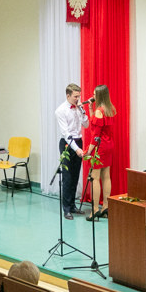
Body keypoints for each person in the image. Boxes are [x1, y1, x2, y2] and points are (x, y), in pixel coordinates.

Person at [54, 83, 89, 220]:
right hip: (68, 145)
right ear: (68, 95)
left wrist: (82, 110)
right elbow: (66, 133)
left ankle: (73, 205)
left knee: (75, 176)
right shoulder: (60, 111)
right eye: (75, 96)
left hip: (78, 141)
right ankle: (66, 209)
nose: (77, 99)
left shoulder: (78, 108)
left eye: (79, 96)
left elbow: (86, 124)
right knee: (67, 177)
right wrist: (77, 149)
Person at [84, 84, 116, 222]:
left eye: (94, 94)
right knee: (106, 176)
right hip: (109, 145)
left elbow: (95, 134)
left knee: (95, 177)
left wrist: (89, 151)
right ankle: (106, 207)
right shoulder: (109, 109)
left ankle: (95, 209)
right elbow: (95, 123)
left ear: (99, 96)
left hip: (100, 146)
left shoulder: (99, 111)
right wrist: (90, 107)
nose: (93, 96)